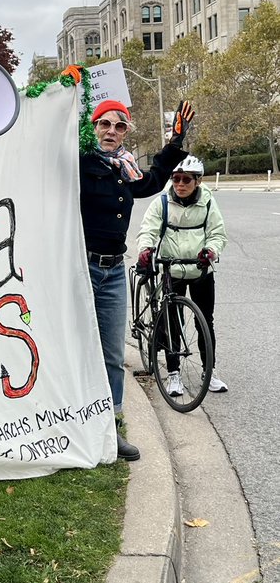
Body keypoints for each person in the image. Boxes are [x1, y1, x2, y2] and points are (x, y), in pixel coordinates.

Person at [79, 96, 194, 461]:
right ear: (94, 127)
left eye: (119, 126)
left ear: (126, 132)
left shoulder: (125, 169)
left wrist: (174, 143)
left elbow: (153, 180)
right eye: (105, 124)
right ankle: (75, 424)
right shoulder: (79, 162)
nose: (111, 131)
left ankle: (110, 428)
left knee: (113, 356)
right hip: (81, 270)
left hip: (113, 272)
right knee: (80, 352)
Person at [136, 154, 228, 394]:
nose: (180, 184)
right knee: (172, 323)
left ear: (198, 181)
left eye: (186, 179)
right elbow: (148, 229)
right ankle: (173, 373)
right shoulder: (162, 202)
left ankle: (209, 371)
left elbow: (217, 233)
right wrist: (146, 249)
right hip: (172, 269)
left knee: (205, 321)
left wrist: (211, 251)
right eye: (175, 178)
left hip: (199, 269)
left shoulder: (208, 202)